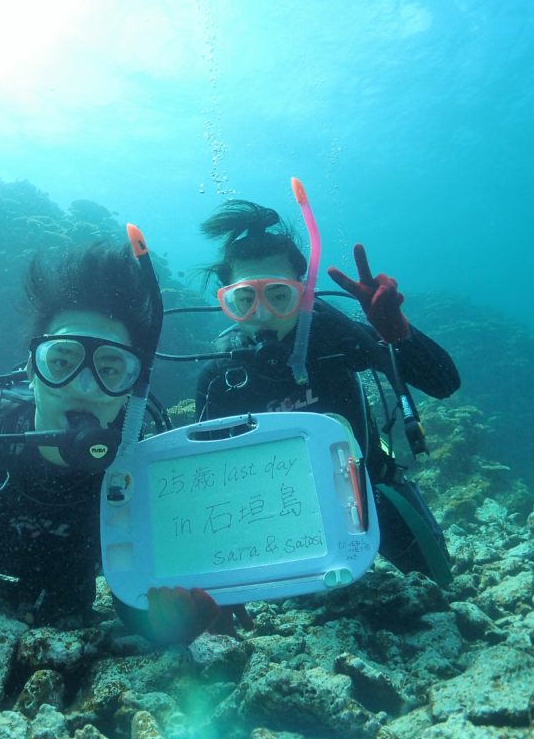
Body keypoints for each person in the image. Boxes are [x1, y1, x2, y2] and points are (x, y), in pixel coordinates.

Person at [0, 239, 243, 643]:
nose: (82, 387)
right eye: (61, 361)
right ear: (31, 369)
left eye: (110, 369)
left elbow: (134, 604)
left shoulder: (139, 479)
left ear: (132, 389)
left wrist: (171, 623)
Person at [194, 200, 460, 580]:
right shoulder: (221, 373)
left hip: (370, 491)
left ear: (303, 292)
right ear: (227, 300)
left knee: (438, 584)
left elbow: (444, 385)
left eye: (279, 295)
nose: (264, 313)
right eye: (245, 298)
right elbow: (209, 481)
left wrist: (398, 333)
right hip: (272, 514)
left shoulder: (334, 336)